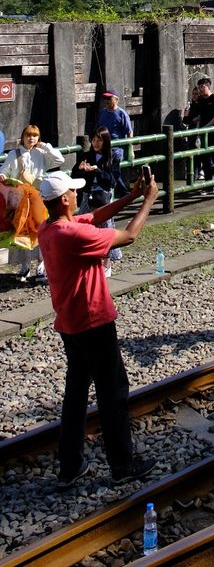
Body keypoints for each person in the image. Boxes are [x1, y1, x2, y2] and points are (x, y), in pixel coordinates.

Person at [38, 169, 159, 488]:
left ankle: (70, 465)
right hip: (94, 323)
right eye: (74, 192)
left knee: (76, 395)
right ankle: (122, 465)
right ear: (64, 200)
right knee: (113, 391)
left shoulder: (48, 229)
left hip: (69, 324)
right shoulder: (72, 236)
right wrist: (148, 201)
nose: (79, 194)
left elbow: (92, 217)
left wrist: (131, 196)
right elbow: (129, 237)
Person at [0, 124, 64, 281]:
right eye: (28, 135)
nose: (31, 138)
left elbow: (59, 159)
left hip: (37, 197)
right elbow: (4, 171)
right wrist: (2, 175)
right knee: (21, 232)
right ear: (23, 136)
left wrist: (45, 146)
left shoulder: (41, 153)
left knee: (39, 230)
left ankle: (41, 266)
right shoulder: (14, 155)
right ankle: (25, 265)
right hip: (19, 199)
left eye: (34, 135)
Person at [72, 127, 123, 278]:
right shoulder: (87, 155)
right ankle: (86, 259)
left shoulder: (113, 157)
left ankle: (107, 263)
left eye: (99, 140)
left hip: (104, 197)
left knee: (105, 228)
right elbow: (75, 174)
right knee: (82, 226)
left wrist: (97, 171)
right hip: (88, 195)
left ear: (105, 141)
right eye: (94, 140)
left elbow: (113, 181)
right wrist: (81, 169)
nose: (95, 143)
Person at [95, 90, 132, 192]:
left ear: (116, 100)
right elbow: (98, 129)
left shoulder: (122, 114)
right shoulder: (102, 113)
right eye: (105, 99)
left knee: (112, 170)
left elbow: (129, 132)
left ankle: (123, 192)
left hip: (117, 148)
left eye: (109, 98)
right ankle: (119, 193)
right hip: (103, 147)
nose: (106, 101)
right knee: (104, 169)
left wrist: (130, 149)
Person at [196, 76, 214, 188]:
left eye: (201, 87)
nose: (200, 90)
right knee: (206, 160)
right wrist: (198, 132)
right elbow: (200, 117)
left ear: (207, 86)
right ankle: (209, 186)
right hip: (203, 134)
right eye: (198, 88)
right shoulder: (201, 101)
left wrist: (207, 126)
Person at [182, 85, 202, 180]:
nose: (194, 96)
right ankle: (193, 174)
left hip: (198, 131)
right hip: (191, 131)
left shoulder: (201, 105)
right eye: (193, 94)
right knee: (191, 153)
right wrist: (186, 115)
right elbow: (186, 121)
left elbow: (202, 117)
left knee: (197, 154)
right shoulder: (191, 106)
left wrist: (195, 119)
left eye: (196, 94)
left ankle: (197, 173)